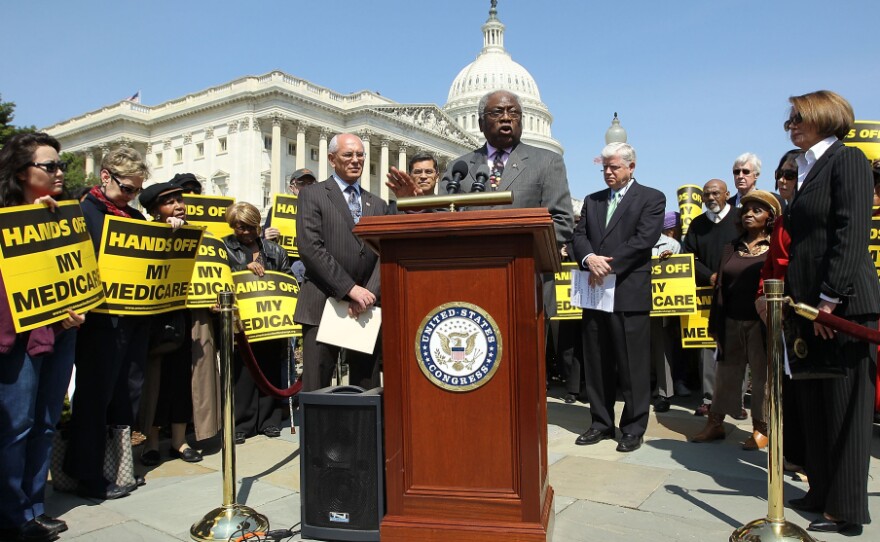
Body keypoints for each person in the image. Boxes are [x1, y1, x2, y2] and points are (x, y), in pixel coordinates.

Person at [782, 90, 879, 534]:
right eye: (790, 120)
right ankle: (821, 491)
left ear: (825, 116)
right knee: (817, 406)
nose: (791, 126)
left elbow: (851, 231)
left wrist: (828, 301)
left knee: (845, 410)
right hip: (809, 308)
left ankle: (847, 509)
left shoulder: (849, 160)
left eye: (799, 117)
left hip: (842, 309)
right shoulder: (807, 168)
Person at [0, 133, 86, 542]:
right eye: (48, 166)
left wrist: (76, 305)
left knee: (46, 422)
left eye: (59, 165)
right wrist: (27, 220)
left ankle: (34, 507)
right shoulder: (5, 216)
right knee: (16, 426)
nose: (58, 173)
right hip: (16, 337)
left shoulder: (65, 216)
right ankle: (11, 514)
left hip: (59, 330)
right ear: (21, 172)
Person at [64, 146, 151, 500]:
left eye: (137, 191)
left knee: (126, 395)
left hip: (133, 319)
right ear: (105, 177)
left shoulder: (135, 218)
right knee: (94, 397)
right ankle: (86, 472)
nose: (133, 196)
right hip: (99, 322)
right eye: (128, 189)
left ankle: (118, 467)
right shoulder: (83, 213)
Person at [571, 142, 665, 453]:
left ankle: (633, 427)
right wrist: (588, 260)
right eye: (605, 168)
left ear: (631, 167)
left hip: (627, 290)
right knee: (597, 360)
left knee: (632, 364)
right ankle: (600, 422)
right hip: (595, 291)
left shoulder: (651, 198)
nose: (608, 173)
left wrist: (605, 265)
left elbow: (643, 240)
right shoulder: (593, 200)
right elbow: (579, 235)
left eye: (614, 167)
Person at [294, 134, 395, 392]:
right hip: (322, 301)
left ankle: (361, 434)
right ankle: (320, 434)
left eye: (360, 155)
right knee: (318, 384)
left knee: (366, 384)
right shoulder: (313, 195)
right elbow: (310, 248)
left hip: (366, 308)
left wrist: (369, 293)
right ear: (331, 159)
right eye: (348, 155)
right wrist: (350, 289)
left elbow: (385, 253)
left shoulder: (379, 204)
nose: (356, 160)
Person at [691, 190, 780, 450]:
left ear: (770, 217)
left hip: (761, 323)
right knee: (725, 375)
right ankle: (715, 423)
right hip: (730, 320)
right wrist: (715, 323)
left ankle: (760, 428)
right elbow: (720, 287)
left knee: (763, 377)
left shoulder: (776, 247)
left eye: (758, 210)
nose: (749, 213)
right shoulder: (731, 247)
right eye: (747, 209)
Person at [430, 90, 573, 248]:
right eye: (497, 112)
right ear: (480, 124)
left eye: (514, 112)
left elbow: (562, 221)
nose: (506, 118)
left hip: (525, 262)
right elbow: (441, 217)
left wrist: (516, 246)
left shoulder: (548, 162)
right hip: (471, 262)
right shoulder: (459, 168)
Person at [137, 182, 215, 466]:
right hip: (157, 318)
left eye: (179, 200)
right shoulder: (148, 233)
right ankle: (152, 442)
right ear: (155, 210)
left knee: (184, 381)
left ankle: (181, 441)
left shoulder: (197, 233)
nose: (178, 205)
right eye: (169, 202)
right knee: (156, 382)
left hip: (189, 318)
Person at [223, 202, 291, 443]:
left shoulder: (275, 250)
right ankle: (242, 423)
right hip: (242, 323)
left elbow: (287, 279)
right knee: (243, 373)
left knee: (270, 369)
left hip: (270, 321)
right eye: (239, 228)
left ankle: (270, 421)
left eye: (250, 227)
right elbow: (219, 276)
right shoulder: (225, 247)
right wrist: (243, 268)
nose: (245, 232)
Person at [680, 179, 741, 417]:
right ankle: (709, 398)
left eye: (716, 193)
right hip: (706, 293)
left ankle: (734, 400)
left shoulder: (740, 218)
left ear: (727, 194)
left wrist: (730, 274)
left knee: (736, 346)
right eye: (706, 194)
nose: (711, 198)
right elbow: (689, 258)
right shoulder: (697, 224)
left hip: (737, 291)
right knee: (706, 346)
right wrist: (710, 276)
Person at [650, 212, 683, 413]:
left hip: (662, 305)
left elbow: (681, 273)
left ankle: (664, 393)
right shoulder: (633, 240)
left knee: (662, 349)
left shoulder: (672, 245)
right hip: (638, 303)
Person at [264, 168, 316, 243]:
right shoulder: (275, 210)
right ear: (292, 188)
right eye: (301, 183)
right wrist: (267, 237)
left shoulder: (322, 210)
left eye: (311, 183)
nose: (307, 187)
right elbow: (263, 244)